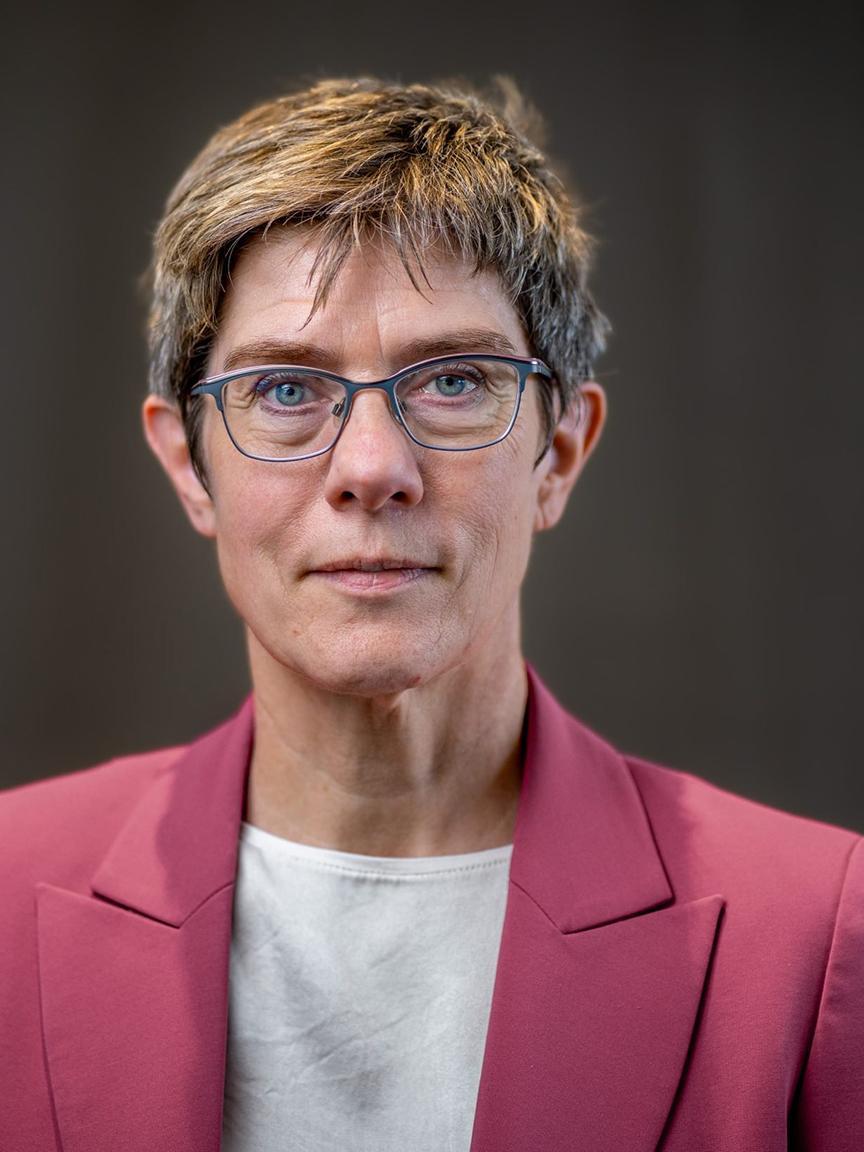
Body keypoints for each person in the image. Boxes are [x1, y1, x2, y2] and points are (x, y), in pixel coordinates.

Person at [1, 76, 861, 1152]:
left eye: (454, 381)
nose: (373, 468)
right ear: (188, 465)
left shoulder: (817, 932)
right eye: (283, 390)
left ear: (559, 453)